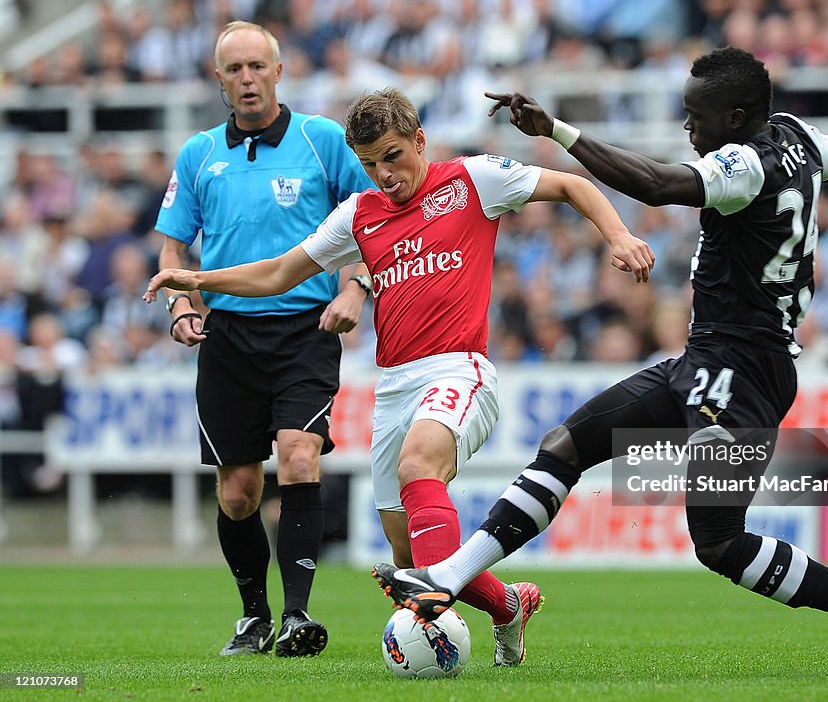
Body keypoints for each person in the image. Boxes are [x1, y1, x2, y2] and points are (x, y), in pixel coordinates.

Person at [370, 47, 828, 675]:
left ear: (737, 116)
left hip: (743, 374)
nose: (687, 129)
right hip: (708, 361)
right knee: (566, 445)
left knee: (720, 541)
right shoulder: (800, 138)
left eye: (697, 117)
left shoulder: (744, 166)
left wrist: (558, 131)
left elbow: (658, 183)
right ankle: (447, 576)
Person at [145, 87, 655, 665]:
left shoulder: (472, 180)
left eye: (392, 156)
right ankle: (507, 606)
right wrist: (196, 280)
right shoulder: (358, 216)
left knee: (419, 467)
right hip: (394, 385)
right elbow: (280, 273)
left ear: (419, 141)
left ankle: (436, 625)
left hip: (460, 368)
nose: (384, 175)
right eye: (368, 165)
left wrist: (618, 235)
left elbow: (571, 183)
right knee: (408, 555)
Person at [153, 21, 375, 658]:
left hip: (305, 330)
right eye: (234, 70)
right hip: (227, 338)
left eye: (257, 66)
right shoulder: (199, 153)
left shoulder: (322, 139)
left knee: (300, 456)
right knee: (239, 490)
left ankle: (299, 616)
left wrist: (355, 288)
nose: (247, 79)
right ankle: (253, 616)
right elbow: (175, 241)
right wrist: (180, 301)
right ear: (218, 78)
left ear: (279, 72)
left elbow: (371, 220)